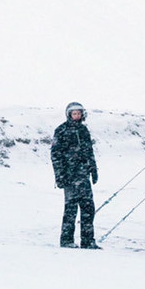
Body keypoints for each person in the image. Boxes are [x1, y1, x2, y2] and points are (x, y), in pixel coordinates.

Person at [50, 101, 100, 249]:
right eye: (74, 114)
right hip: (69, 176)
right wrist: (59, 175)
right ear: (69, 115)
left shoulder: (84, 130)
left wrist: (93, 169)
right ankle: (66, 240)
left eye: (79, 113)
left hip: (83, 175)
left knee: (88, 208)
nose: (77, 116)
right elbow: (55, 155)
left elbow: (89, 151)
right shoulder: (61, 130)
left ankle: (88, 241)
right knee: (71, 209)